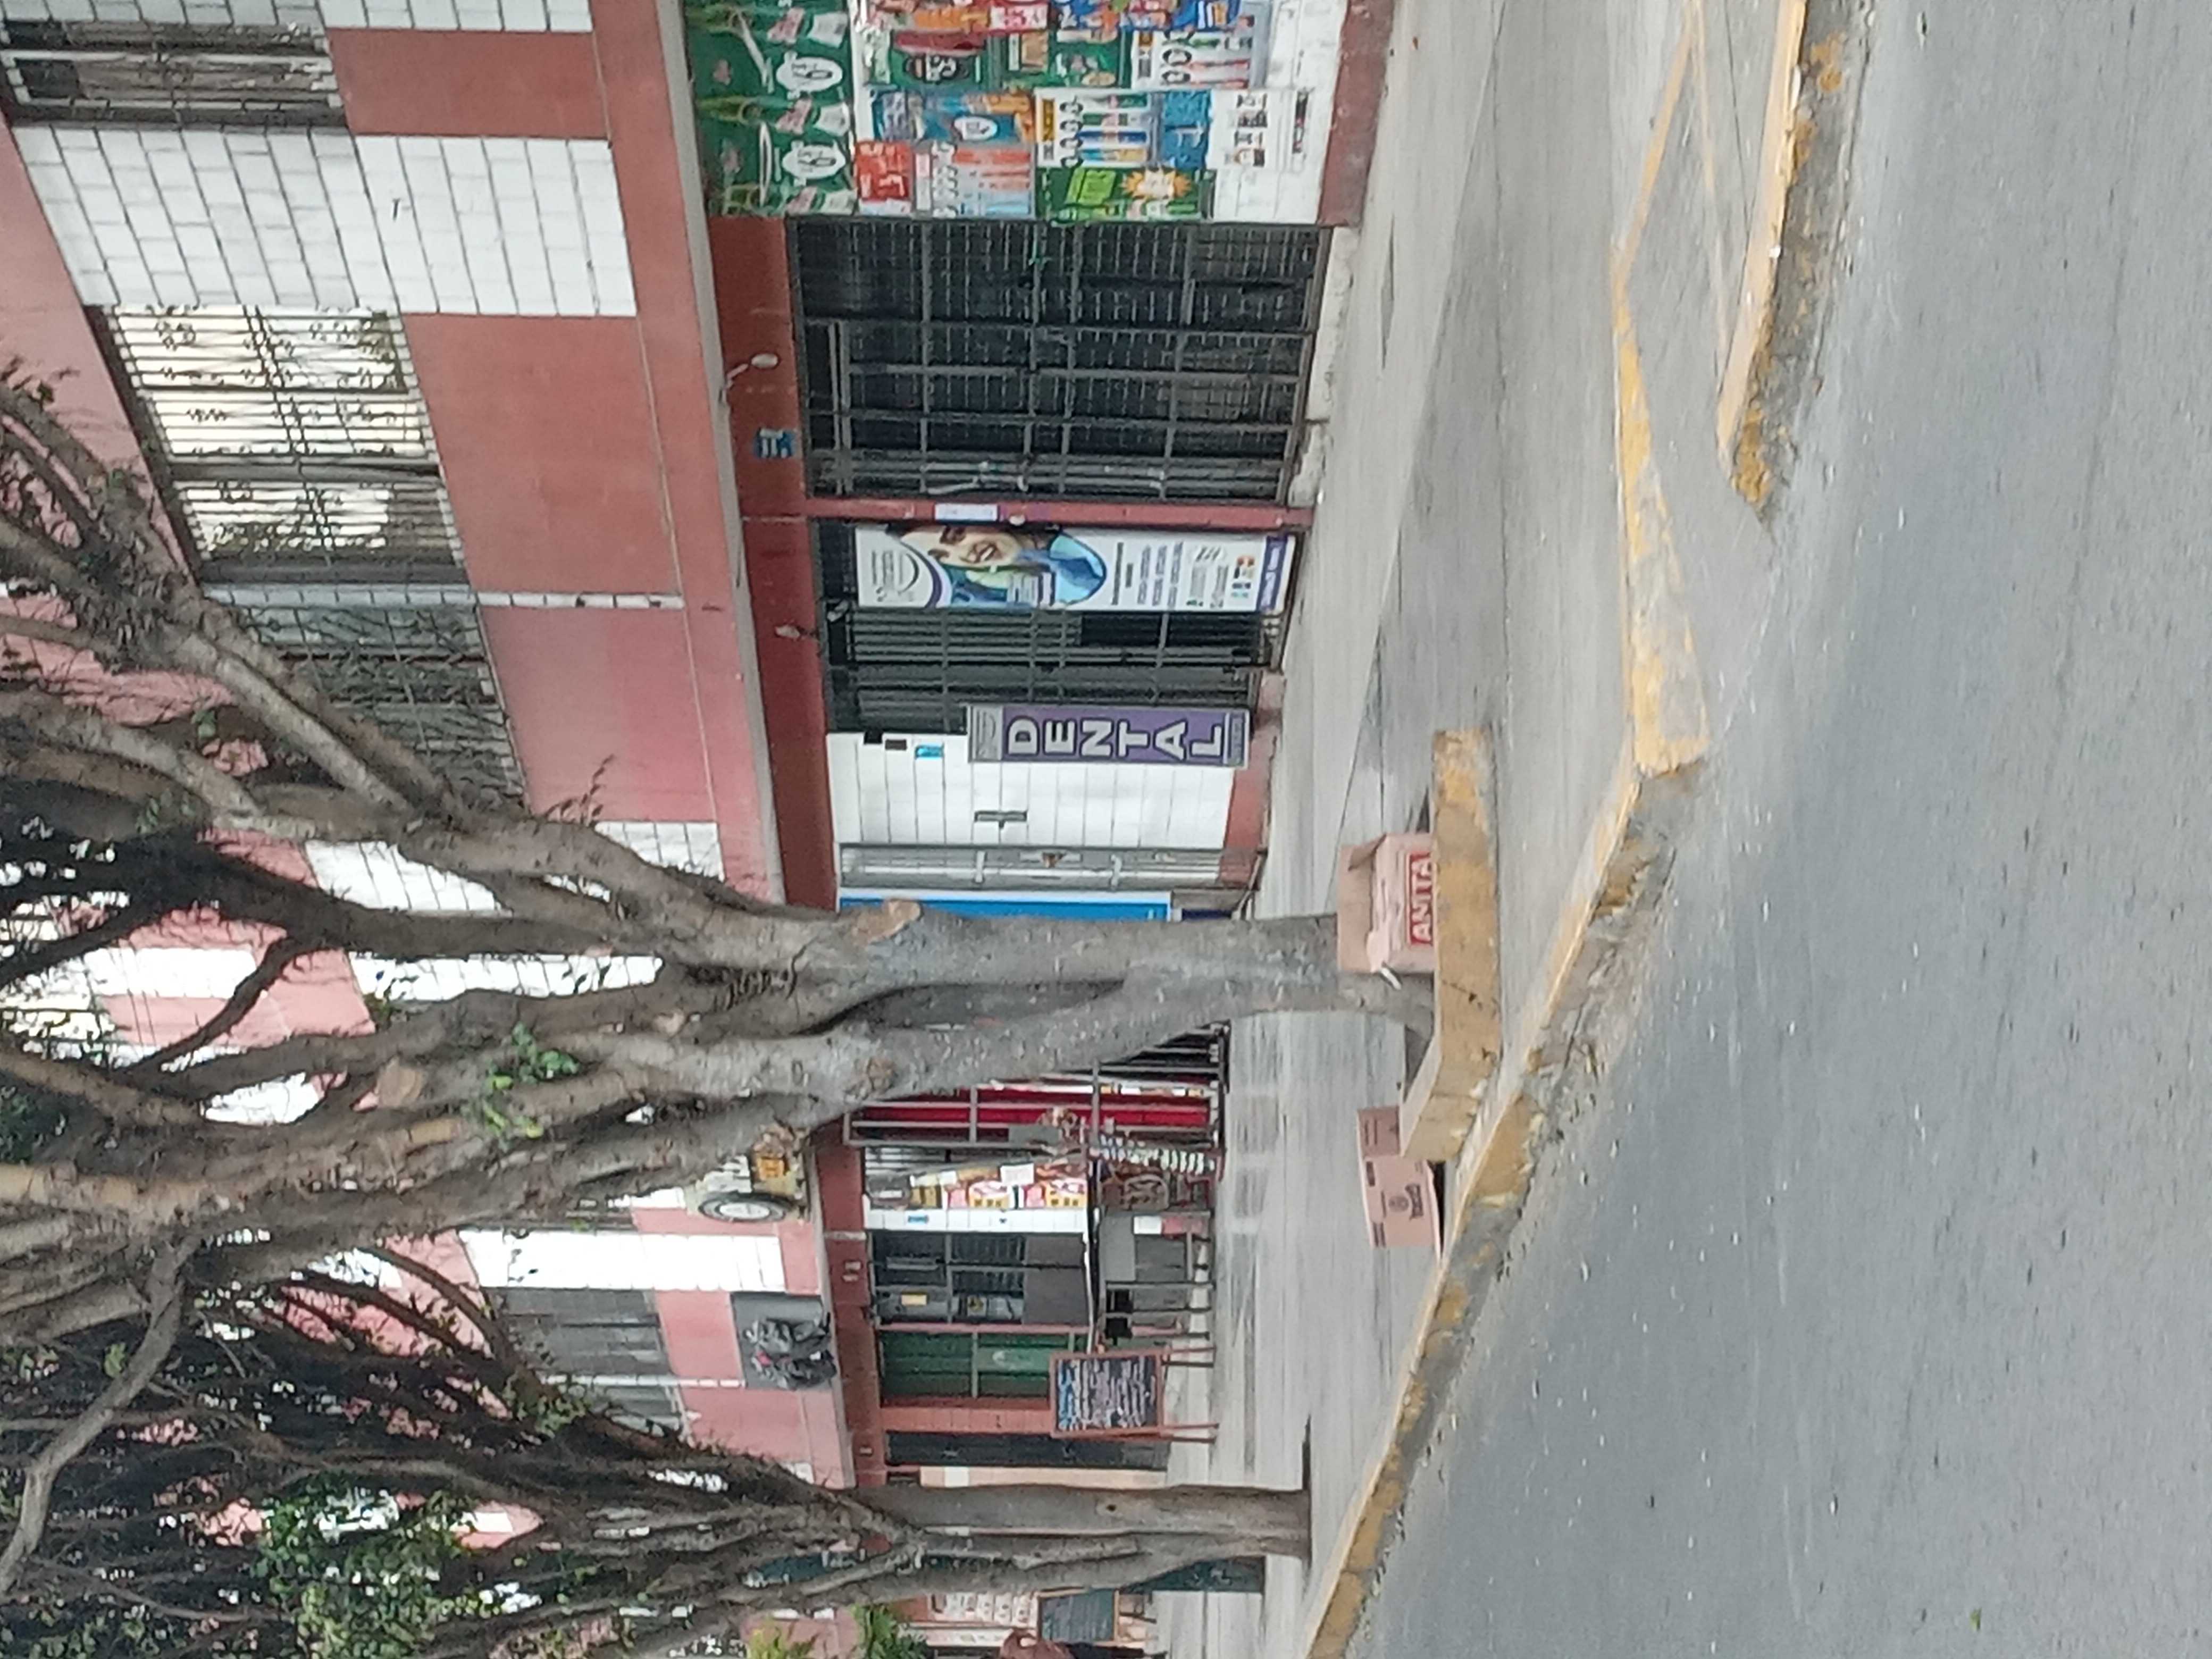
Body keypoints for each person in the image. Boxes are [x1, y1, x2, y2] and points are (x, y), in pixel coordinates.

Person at [891, 524, 1110, 608]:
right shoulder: (994, 593)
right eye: (942, 558)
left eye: (958, 535)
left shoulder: (1075, 546)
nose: (968, 554)